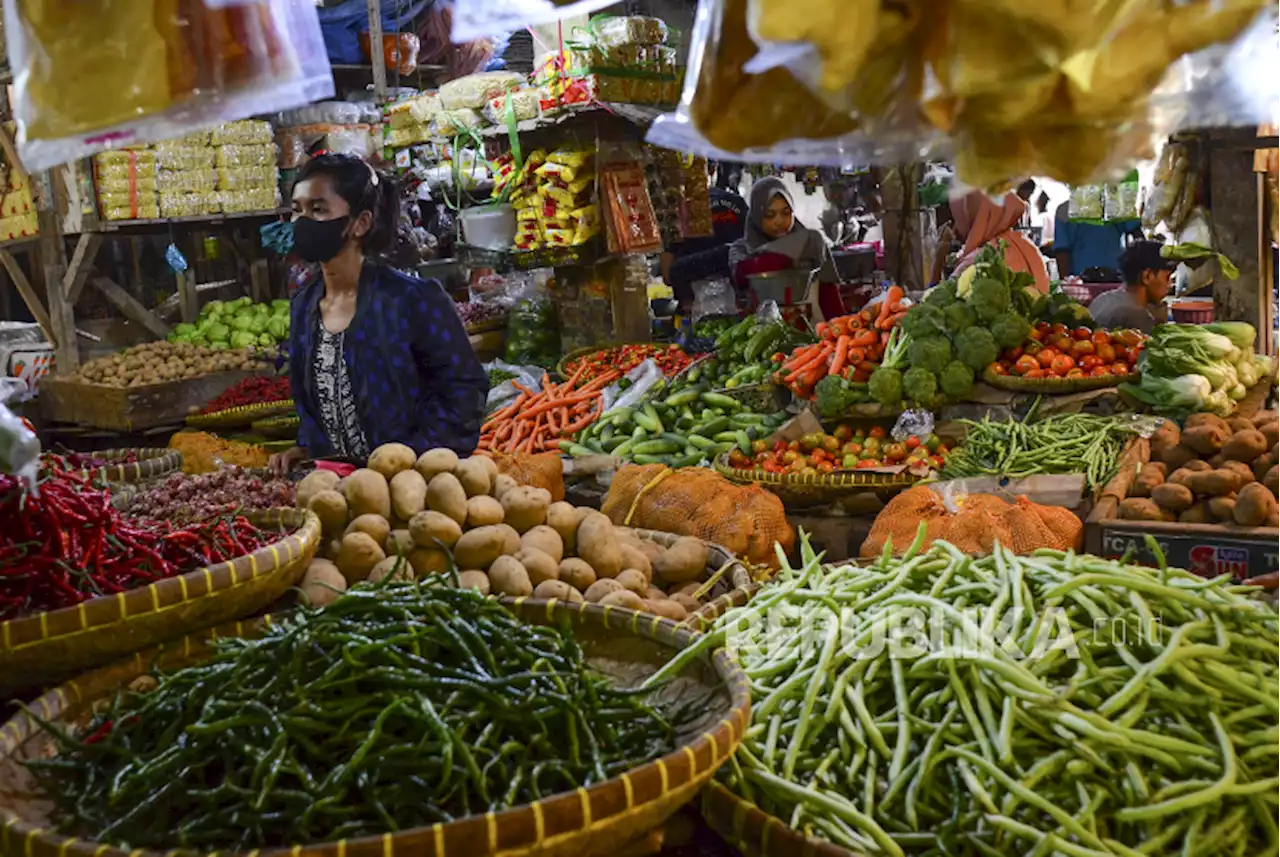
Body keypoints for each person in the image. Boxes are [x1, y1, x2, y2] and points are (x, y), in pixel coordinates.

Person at [269, 154, 488, 475]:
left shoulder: (412, 300)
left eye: (318, 209)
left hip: (412, 488)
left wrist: (410, 461)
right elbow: (311, 403)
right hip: (335, 488)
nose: (302, 222)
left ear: (361, 223)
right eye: (297, 210)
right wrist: (306, 448)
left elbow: (464, 392)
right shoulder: (304, 305)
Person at [729, 176, 843, 320]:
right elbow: (743, 278)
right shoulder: (741, 250)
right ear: (756, 216)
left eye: (786, 212)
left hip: (812, 331)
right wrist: (787, 256)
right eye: (770, 215)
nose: (779, 221)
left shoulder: (811, 245)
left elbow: (830, 299)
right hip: (762, 334)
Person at [950, 190, 1050, 292]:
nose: (955, 228)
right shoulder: (1026, 245)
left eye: (958, 219)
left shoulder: (978, 260)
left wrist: (937, 262)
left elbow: (937, 302)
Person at [1087, 240, 1176, 333]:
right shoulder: (1137, 315)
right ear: (1147, 276)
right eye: (1167, 277)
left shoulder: (1103, 298)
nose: (1169, 284)